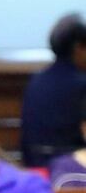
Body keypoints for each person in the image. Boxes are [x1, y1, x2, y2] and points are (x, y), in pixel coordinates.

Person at [18, 12, 86, 170]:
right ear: (78, 48)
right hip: (71, 169)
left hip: (33, 165)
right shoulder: (82, 84)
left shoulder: (36, 80)